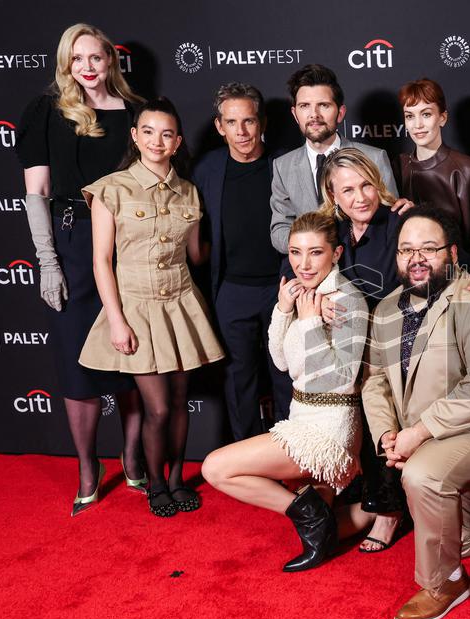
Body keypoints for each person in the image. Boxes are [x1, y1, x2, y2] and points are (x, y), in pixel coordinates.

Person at [316, 149, 470, 554]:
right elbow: (297, 262)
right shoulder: (331, 232)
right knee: (377, 413)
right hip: (360, 345)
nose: (360, 196)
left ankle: (394, 514)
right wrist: (305, 295)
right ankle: (381, 503)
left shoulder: (401, 220)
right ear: (333, 196)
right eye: (347, 189)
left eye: (367, 184)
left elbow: (453, 253)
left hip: (417, 337)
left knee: (411, 415)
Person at [362, 205, 470, 619]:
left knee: (422, 477)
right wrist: (387, 435)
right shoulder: (387, 309)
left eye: (428, 249)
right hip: (425, 436)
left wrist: (419, 433)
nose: (416, 258)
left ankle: (445, 583)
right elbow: (375, 380)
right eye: (406, 249)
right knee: (461, 538)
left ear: (452, 254)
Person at [15, 23, 145, 516]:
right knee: (76, 360)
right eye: (77, 59)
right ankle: (88, 467)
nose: (88, 67)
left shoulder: (136, 113)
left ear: (111, 59)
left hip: (129, 244)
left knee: (133, 356)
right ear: (66, 64)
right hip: (72, 241)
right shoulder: (46, 112)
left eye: (96, 57)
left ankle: (132, 459)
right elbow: (37, 194)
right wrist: (47, 262)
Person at [80, 97, 225, 518]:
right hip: (136, 307)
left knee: (179, 403)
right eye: (148, 132)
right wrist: (116, 320)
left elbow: (196, 254)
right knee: (158, 407)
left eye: (166, 134)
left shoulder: (189, 191)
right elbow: (101, 261)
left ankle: (178, 478)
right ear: (135, 136)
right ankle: (156, 482)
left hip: (180, 303)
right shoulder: (111, 188)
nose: (156, 141)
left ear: (177, 141)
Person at [202, 211, 369, 571]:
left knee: (215, 468)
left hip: (329, 427)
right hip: (301, 415)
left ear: (336, 253)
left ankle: (315, 517)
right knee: (327, 527)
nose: (303, 264)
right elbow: (280, 362)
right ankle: (365, 513)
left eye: (315, 253)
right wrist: (284, 309)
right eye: (295, 252)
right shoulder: (303, 295)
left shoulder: (346, 300)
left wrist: (309, 322)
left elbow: (338, 378)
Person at [193, 82, 292, 441]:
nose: (242, 131)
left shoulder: (284, 164)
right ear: (220, 126)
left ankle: (291, 455)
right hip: (231, 290)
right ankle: (247, 456)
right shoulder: (208, 169)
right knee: (239, 381)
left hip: (281, 288)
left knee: (286, 375)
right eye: (232, 123)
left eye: (249, 121)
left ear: (262, 122)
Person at [269, 64, 398, 255]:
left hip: (366, 268)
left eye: (324, 105)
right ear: (295, 114)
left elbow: (392, 223)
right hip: (311, 273)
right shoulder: (283, 166)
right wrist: (312, 248)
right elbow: (279, 229)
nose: (314, 115)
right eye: (305, 106)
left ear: (341, 112)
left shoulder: (374, 157)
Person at [398, 78, 470, 256]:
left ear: (442, 117)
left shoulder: (467, 169)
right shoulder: (397, 166)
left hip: (458, 272)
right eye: (410, 116)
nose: (417, 125)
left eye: (426, 114)